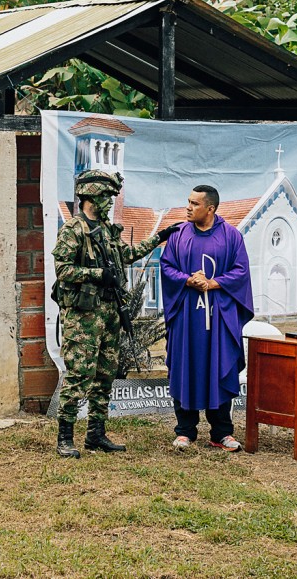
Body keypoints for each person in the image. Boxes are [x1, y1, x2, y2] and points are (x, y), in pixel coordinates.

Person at [53, 170, 180, 458]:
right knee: (79, 374)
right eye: (105, 197)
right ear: (92, 197)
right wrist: (99, 274)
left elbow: (127, 255)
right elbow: (63, 270)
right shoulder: (74, 229)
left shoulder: (108, 230)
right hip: (84, 317)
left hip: (110, 312)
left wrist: (160, 237)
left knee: (105, 374)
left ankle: (95, 434)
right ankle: (65, 437)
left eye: (111, 197)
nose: (110, 202)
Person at [159, 185, 254, 451]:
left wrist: (213, 283)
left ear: (210, 208)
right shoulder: (178, 235)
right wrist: (187, 279)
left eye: (194, 204)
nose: (188, 207)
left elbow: (241, 271)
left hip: (219, 315)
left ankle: (222, 432)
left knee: (220, 366)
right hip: (187, 314)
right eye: (187, 202)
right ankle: (185, 431)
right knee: (184, 366)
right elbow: (166, 266)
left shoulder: (231, 237)